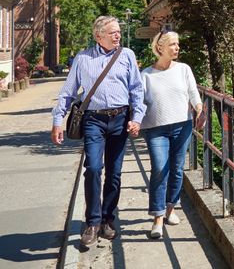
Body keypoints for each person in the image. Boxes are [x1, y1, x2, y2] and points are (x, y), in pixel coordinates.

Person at [51, 15, 146, 247]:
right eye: (113, 32)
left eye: (119, 32)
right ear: (98, 35)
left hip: (120, 119)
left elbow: (136, 89)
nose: (118, 36)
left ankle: (107, 219)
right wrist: (57, 121)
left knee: (114, 173)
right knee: (93, 168)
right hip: (93, 120)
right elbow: (68, 91)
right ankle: (92, 222)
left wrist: (137, 118)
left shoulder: (127, 55)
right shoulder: (83, 58)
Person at [140, 30, 203, 238]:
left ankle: (170, 209)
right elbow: (139, 103)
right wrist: (134, 121)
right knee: (159, 168)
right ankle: (157, 218)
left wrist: (200, 109)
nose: (177, 48)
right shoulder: (146, 75)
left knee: (176, 169)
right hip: (155, 128)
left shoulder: (184, 69)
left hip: (182, 125)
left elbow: (193, 92)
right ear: (160, 48)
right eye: (173, 44)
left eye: (178, 44)